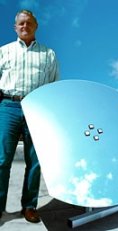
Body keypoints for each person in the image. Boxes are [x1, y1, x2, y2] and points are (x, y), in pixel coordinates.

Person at [0, 9, 59, 223]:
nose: (25, 26)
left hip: (37, 108)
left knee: (34, 161)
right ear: (15, 27)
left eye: (29, 23)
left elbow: (53, 86)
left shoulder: (48, 54)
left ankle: (30, 206)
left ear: (36, 26)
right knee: (2, 159)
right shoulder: (3, 52)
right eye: (21, 23)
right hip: (8, 106)